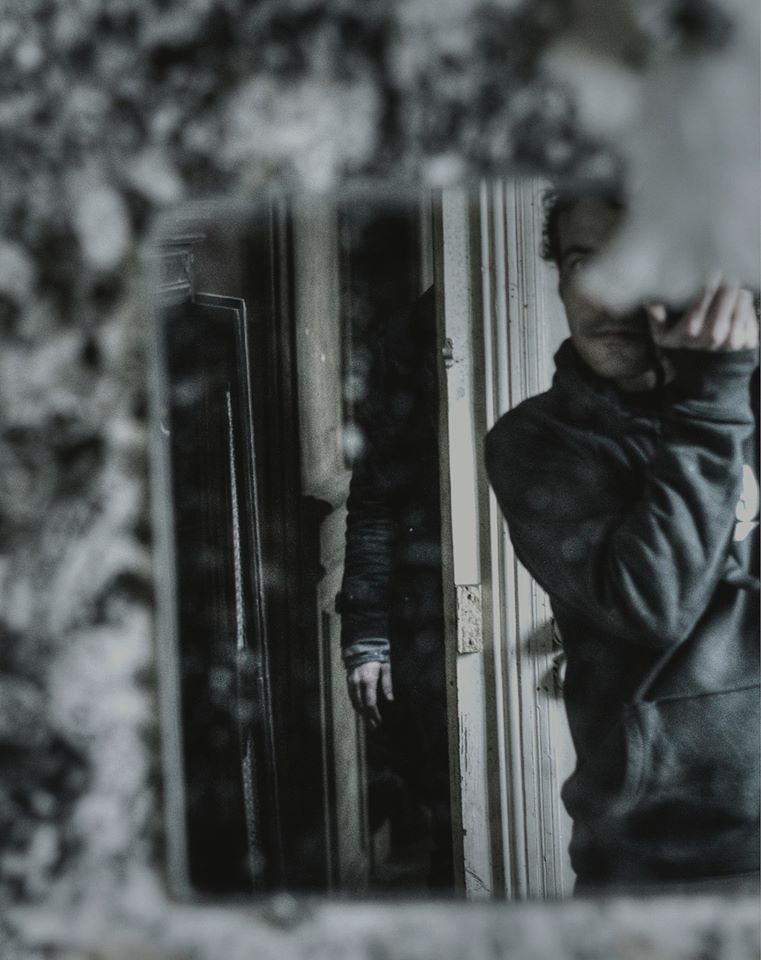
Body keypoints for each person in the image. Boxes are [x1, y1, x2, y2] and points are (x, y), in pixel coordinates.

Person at [485, 184, 760, 893]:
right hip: (661, 864)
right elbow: (651, 605)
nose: (609, 294)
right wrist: (711, 399)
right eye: (583, 262)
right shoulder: (537, 439)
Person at [338, 287, 454, 890]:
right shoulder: (405, 357)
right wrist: (366, 637)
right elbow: (374, 508)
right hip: (426, 612)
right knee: (447, 805)